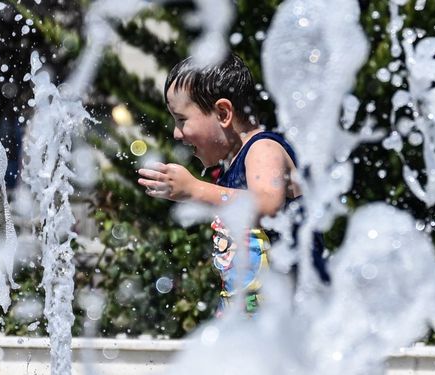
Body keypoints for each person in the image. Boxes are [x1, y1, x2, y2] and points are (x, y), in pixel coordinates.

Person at [137, 53, 327, 316]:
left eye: (181, 120)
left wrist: (195, 189)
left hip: (298, 316)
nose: (176, 133)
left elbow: (268, 203)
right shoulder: (232, 167)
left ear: (223, 113)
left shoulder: (263, 149)